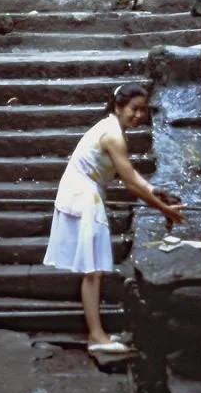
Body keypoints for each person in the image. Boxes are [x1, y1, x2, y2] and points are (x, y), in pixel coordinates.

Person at [43, 82, 183, 354]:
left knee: (92, 270)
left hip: (84, 191)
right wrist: (164, 210)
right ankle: (96, 336)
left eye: (143, 110)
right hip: (83, 195)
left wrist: (154, 190)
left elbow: (128, 173)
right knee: (93, 271)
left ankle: (97, 334)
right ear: (118, 106)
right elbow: (130, 183)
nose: (139, 115)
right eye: (134, 109)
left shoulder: (111, 127)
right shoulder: (112, 135)